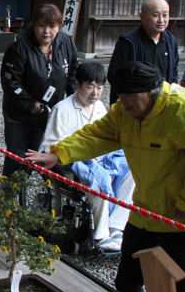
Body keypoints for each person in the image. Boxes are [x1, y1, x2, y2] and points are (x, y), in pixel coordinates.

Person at [27, 62, 185, 292]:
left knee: (172, 289)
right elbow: (97, 134)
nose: (125, 106)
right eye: (122, 99)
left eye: (131, 101)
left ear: (152, 93)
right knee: (126, 282)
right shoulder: (124, 112)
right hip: (145, 210)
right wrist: (59, 154)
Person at [36, 62, 132, 251]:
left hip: (102, 158)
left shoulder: (100, 108)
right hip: (74, 162)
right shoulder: (62, 109)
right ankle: (101, 234)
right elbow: (50, 145)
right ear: (77, 84)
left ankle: (116, 227)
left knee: (131, 174)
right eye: (90, 86)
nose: (95, 93)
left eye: (99, 87)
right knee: (98, 180)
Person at [0, 3, 77, 179]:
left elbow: (73, 71)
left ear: (59, 27)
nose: (47, 31)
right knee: (19, 159)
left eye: (52, 26)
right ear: (34, 25)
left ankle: (49, 200)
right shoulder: (19, 48)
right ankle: (8, 201)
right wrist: (31, 104)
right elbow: (10, 82)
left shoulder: (65, 42)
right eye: (42, 26)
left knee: (49, 154)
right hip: (20, 115)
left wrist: (74, 101)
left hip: (52, 112)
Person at [107, 0, 179, 103]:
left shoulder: (171, 40)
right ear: (142, 17)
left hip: (162, 102)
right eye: (155, 15)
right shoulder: (128, 42)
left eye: (165, 15)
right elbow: (114, 75)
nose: (161, 20)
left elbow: (174, 73)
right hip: (135, 104)